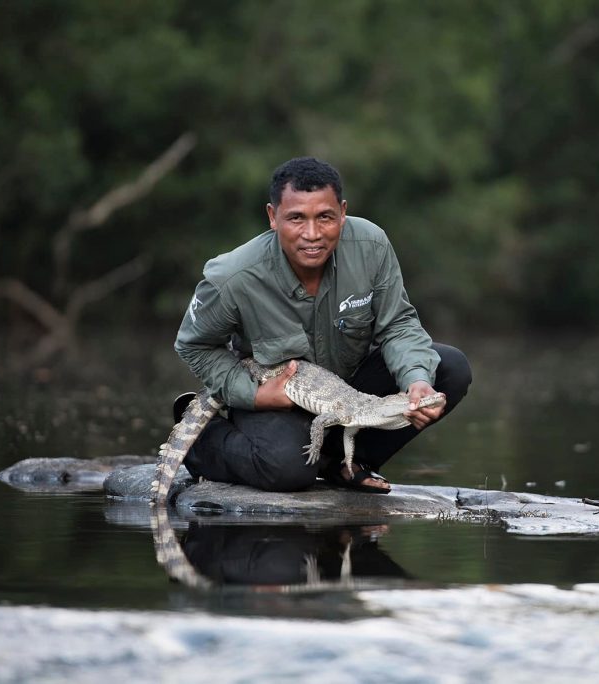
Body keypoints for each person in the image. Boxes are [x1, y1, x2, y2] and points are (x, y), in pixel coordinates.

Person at [174, 157, 471, 494]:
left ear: (342, 212)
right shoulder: (233, 276)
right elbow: (193, 345)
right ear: (273, 217)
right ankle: (204, 446)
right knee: (288, 471)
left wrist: (417, 380)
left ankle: (344, 463)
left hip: (346, 390)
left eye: (325, 217)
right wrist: (254, 396)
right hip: (275, 392)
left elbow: (398, 324)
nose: (312, 234)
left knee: (449, 368)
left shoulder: (371, 245)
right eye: (296, 218)